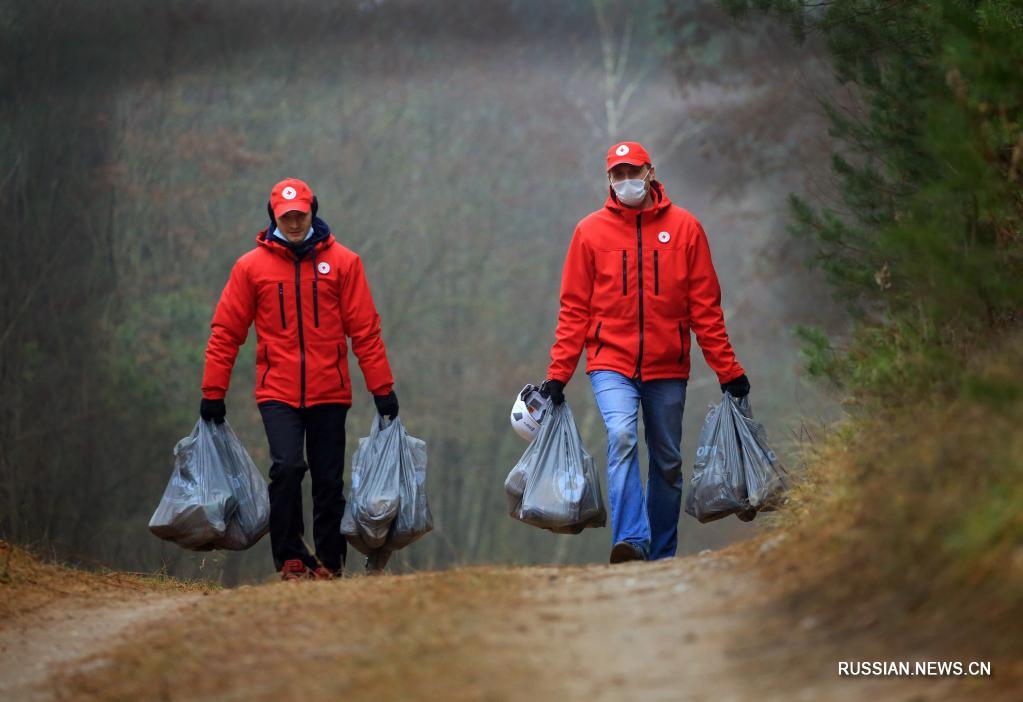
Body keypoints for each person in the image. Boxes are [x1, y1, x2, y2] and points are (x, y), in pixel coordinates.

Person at [541, 141, 750, 564]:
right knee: (620, 437)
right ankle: (632, 540)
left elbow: (705, 308)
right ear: (609, 180)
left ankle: (661, 555)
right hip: (610, 363)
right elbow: (574, 310)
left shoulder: (686, 228)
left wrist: (727, 370)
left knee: (668, 461)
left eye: (632, 171)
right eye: (617, 174)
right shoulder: (589, 232)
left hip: (667, 366)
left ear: (650, 172)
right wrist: (557, 375)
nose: (625, 181)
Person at [199, 177, 399, 580]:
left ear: (313, 212)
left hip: (331, 390)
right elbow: (226, 331)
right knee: (287, 468)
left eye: (300, 215)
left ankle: (329, 562)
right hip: (277, 391)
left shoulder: (344, 263)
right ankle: (290, 558)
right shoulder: (250, 268)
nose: (293, 223)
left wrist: (383, 390)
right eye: (286, 216)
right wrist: (212, 391)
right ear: (273, 215)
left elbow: (365, 330)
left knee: (328, 479)